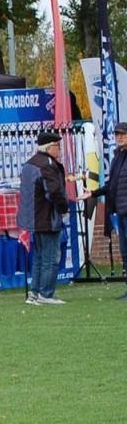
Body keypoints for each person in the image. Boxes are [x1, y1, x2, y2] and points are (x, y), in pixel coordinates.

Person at [18, 130, 69, 305]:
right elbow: (54, 191)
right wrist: (64, 208)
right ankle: (46, 294)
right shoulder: (47, 165)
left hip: (34, 219)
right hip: (48, 217)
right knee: (51, 258)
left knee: (39, 258)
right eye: (57, 146)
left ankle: (34, 292)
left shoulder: (29, 164)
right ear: (49, 147)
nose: (59, 150)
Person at [91, 121, 127, 299]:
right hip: (120, 211)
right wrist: (92, 193)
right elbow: (111, 185)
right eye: (117, 134)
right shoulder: (116, 157)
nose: (119, 137)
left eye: (123, 134)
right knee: (125, 251)